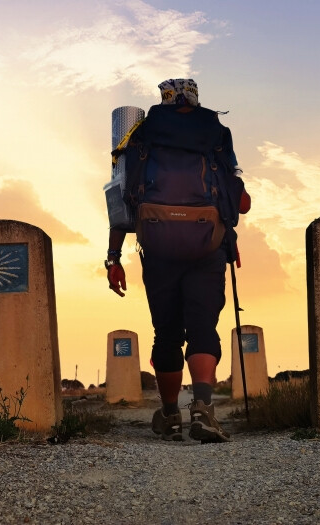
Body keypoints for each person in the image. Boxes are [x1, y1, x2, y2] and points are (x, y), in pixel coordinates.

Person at [105, 78, 251, 443]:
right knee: (203, 328)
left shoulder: (138, 134)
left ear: (164, 101)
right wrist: (225, 230)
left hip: (157, 248)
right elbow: (241, 200)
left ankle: (170, 414)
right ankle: (202, 408)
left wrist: (113, 258)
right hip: (208, 245)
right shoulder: (216, 132)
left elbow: (121, 199)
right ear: (197, 99)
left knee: (167, 333)